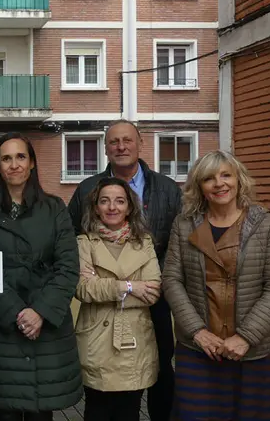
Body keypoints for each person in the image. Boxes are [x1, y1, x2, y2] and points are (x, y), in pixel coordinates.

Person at [162, 151, 270, 421]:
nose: (219, 184)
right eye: (209, 178)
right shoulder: (184, 225)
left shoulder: (266, 224)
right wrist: (197, 331)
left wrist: (245, 337)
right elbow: (172, 281)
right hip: (198, 351)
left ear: (239, 180)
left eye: (226, 175)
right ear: (200, 187)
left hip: (251, 352)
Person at [67, 119, 181, 421]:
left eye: (127, 140)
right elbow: (73, 242)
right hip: (103, 315)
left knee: (157, 367)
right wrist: (130, 286)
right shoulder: (87, 188)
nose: (121, 146)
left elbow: (177, 242)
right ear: (106, 148)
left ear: (140, 143)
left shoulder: (168, 188)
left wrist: (149, 279)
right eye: (114, 142)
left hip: (153, 302)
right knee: (101, 389)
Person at [0, 133, 82, 421]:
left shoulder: (55, 208)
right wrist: (17, 313)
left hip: (46, 331)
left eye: (21, 157)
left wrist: (40, 312)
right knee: (3, 413)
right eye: (6, 158)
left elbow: (68, 266)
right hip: (1, 331)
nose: (14, 164)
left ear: (31, 163)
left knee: (40, 414)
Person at [75, 177, 161, 421]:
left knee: (129, 411)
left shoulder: (143, 242)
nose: (112, 207)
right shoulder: (84, 243)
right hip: (97, 341)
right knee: (96, 410)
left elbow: (153, 291)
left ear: (130, 207)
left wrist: (106, 288)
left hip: (134, 340)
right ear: (95, 207)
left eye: (119, 201)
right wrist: (132, 286)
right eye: (105, 201)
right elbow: (83, 289)